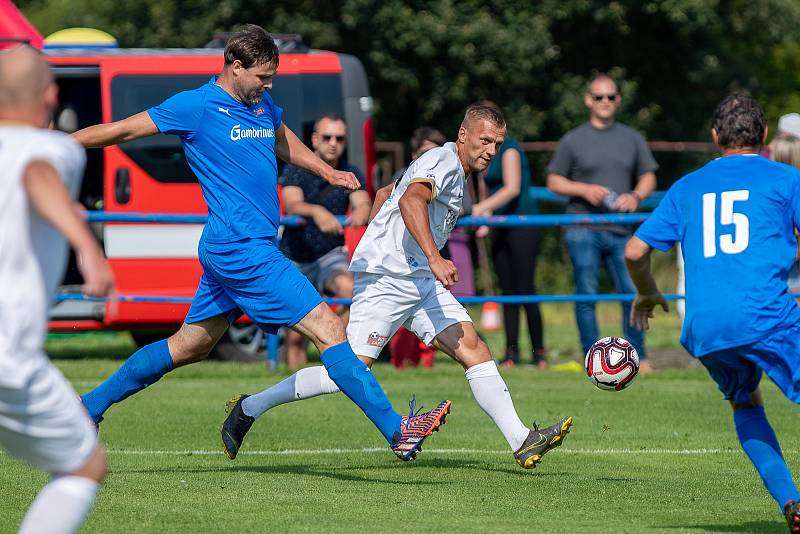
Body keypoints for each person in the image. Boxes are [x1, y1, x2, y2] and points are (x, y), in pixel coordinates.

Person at [75, 24, 450, 462]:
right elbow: (121, 131)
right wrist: (53, 145)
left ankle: (88, 407)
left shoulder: (261, 104)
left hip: (239, 248)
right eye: (263, 77)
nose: (269, 85)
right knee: (329, 329)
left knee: (189, 346)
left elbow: (283, 139)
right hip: (241, 250)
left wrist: (326, 173)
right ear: (235, 67)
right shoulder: (195, 107)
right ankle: (398, 432)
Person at [222, 104, 573, 469]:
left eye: (497, 145)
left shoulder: (448, 165)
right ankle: (249, 408)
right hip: (390, 281)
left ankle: (521, 440)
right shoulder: (445, 161)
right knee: (343, 373)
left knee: (473, 347)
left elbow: (386, 192)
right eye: (485, 141)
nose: (490, 150)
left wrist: (382, 240)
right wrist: (429, 257)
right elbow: (409, 199)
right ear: (463, 135)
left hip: (416, 278)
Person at [625, 94, 800, 532]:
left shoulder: (686, 186)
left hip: (704, 329)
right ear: (762, 137)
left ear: (715, 137)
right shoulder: (786, 179)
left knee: (746, 403)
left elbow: (634, 250)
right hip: (766, 316)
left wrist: (647, 293)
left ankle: (791, 501)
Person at [0, 44, 115, 533]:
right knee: (84, 465)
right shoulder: (56, 149)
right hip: (8, 355)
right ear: (50, 96)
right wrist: (83, 242)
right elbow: (35, 176)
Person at [546, 73, 657, 372]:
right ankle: (591, 359)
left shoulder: (632, 138)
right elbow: (554, 181)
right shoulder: (573, 139)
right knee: (586, 294)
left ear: (618, 100)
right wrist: (583, 189)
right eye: (599, 97)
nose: (605, 102)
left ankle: (638, 357)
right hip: (582, 228)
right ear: (588, 100)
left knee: (630, 292)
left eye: (610, 97)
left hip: (622, 229)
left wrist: (636, 195)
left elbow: (649, 176)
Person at [279, 114, 371, 369]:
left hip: (330, 254)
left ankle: (332, 349)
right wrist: (317, 212)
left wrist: (362, 210)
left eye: (339, 138)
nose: (333, 143)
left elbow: (362, 201)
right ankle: (293, 384)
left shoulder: (350, 173)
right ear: (314, 139)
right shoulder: (296, 169)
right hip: (295, 256)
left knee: (352, 290)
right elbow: (291, 204)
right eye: (327, 137)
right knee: (295, 337)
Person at [471, 101, 545, 368]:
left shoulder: (509, 148)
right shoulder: (482, 152)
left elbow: (512, 188)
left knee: (525, 289)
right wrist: (487, 219)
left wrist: (480, 209)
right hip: (500, 226)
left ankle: (539, 353)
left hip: (522, 225)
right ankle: (511, 353)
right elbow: (489, 190)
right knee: (507, 291)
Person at [388, 126, 447, 369]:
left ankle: (426, 363)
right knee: (358, 359)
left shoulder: (449, 173)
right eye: (425, 153)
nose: (432, 159)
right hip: (401, 264)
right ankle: (401, 362)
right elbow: (389, 197)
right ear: (414, 154)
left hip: (431, 261)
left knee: (472, 348)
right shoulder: (407, 175)